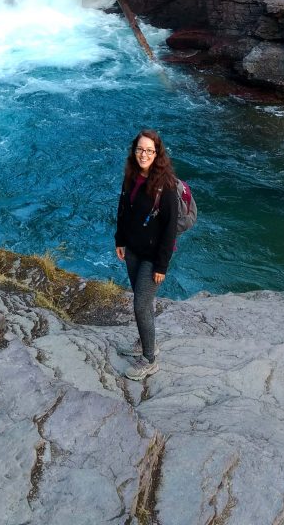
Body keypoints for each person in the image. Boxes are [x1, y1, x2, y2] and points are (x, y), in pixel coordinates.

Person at [115, 128, 178, 380]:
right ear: (134, 150)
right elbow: (123, 208)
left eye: (149, 151)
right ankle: (145, 341)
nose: (144, 154)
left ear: (157, 154)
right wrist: (119, 240)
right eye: (140, 149)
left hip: (153, 258)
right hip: (132, 250)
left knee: (140, 304)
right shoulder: (131, 175)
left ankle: (149, 359)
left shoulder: (166, 185)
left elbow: (170, 229)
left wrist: (161, 266)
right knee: (143, 302)